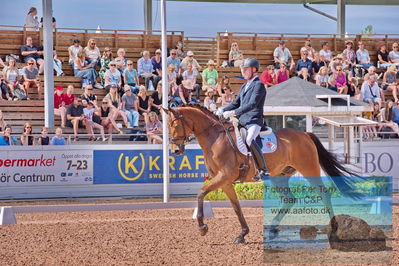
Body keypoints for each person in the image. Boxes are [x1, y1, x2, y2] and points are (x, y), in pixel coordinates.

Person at [217, 57, 269, 180]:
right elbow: (236, 103)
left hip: (254, 120)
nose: (243, 72)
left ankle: (263, 170)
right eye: (242, 69)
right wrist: (223, 109)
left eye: (246, 69)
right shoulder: (244, 86)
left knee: (250, 139)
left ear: (254, 70)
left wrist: (233, 113)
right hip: (242, 121)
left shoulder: (259, 85)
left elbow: (252, 105)